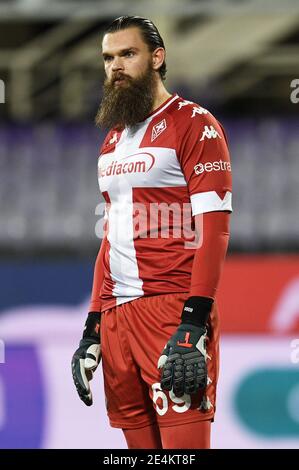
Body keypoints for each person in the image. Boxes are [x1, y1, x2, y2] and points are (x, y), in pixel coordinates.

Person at [72, 15, 232, 449]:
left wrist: (194, 321)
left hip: (171, 313)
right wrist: (92, 326)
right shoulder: (113, 139)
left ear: (157, 58)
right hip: (117, 320)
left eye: (128, 54)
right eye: (108, 58)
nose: (115, 67)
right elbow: (111, 235)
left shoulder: (194, 124)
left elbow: (214, 229)